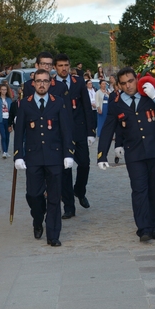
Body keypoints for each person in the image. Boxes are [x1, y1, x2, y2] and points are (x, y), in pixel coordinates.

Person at [97, 68, 155, 242]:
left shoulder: (149, 94)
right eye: (123, 83)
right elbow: (108, 128)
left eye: (130, 81)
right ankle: (144, 228)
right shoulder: (116, 101)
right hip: (135, 152)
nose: (128, 86)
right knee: (139, 190)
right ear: (118, 85)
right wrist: (101, 155)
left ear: (136, 79)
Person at [13, 69, 74, 247]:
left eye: (45, 81)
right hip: (33, 157)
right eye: (38, 81)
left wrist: (68, 153)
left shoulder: (58, 103)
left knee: (55, 197)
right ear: (33, 83)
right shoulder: (25, 104)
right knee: (33, 194)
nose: (41, 84)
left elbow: (65, 130)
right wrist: (18, 155)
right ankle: (38, 219)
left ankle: (53, 235)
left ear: (50, 83)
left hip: (54, 156)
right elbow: (19, 133)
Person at [53, 53, 95, 219]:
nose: (64, 68)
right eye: (60, 66)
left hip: (79, 131)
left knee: (84, 164)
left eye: (66, 65)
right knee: (65, 171)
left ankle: (79, 190)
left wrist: (91, 131)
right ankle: (69, 207)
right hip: (61, 134)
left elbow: (86, 107)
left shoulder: (79, 83)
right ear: (55, 68)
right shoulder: (52, 85)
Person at [0, 82, 15, 158]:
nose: (4, 91)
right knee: (3, 136)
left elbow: (12, 111)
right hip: (0, 120)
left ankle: (6, 151)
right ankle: (4, 151)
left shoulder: (9, 99)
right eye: (2, 90)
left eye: (5, 90)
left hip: (8, 119)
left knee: (7, 136)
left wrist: (12, 121)